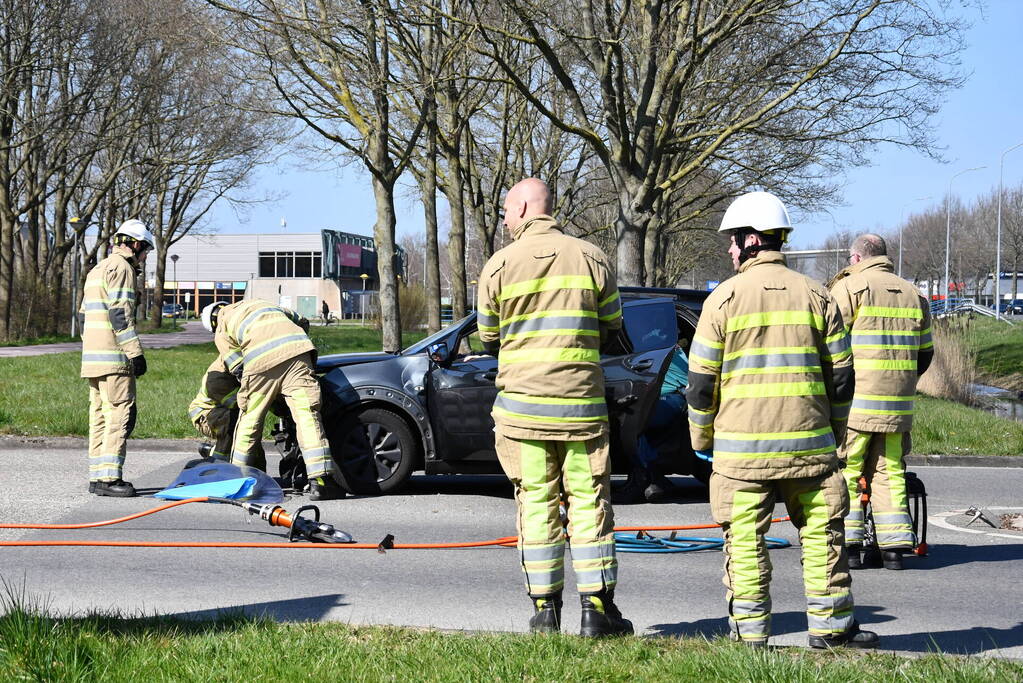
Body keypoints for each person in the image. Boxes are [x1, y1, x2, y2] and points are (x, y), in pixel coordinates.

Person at [686, 191, 878, 649]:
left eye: (733, 240)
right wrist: (832, 433)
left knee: (747, 544)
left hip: (740, 456)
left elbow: (698, 385)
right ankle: (832, 630)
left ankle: (750, 636)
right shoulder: (818, 295)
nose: (729, 250)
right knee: (822, 539)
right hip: (809, 451)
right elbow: (842, 381)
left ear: (752, 239)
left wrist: (702, 437)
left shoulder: (722, 300)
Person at [476, 178, 629, 637]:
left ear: (523, 207)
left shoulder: (498, 266)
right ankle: (597, 612)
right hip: (580, 411)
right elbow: (612, 329)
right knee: (588, 504)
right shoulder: (592, 258)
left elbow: (488, 337)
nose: (504, 219)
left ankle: (545, 612)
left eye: (506, 209)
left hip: (523, 415)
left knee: (537, 504)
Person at [828, 234, 934, 570]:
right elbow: (925, 353)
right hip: (898, 404)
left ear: (857, 258)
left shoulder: (849, 289)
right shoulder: (913, 294)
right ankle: (894, 548)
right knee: (889, 471)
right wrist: (902, 383)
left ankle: (851, 544)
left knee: (849, 469)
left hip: (856, 403)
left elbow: (827, 344)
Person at [200, 298, 344, 500]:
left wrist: (253, 382)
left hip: (260, 362)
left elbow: (236, 365)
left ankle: (239, 482)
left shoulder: (223, 325)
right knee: (307, 416)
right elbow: (302, 321)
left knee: (250, 419)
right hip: (298, 354)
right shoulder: (261, 303)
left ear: (213, 322)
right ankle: (321, 483)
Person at [79, 219, 154, 497]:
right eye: (145, 249)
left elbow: (83, 315)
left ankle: (98, 477)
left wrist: (91, 349)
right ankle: (111, 479)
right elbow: (120, 314)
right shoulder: (123, 268)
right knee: (120, 414)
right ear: (134, 244)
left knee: (99, 416)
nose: (145, 256)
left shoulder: (98, 269)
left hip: (93, 359)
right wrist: (135, 353)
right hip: (114, 359)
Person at [187, 357, 253, 465]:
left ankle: (255, 476)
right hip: (206, 415)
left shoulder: (240, 367)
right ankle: (218, 462)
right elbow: (241, 404)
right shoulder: (217, 377)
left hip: (221, 413)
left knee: (251, 438)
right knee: (235, 419)